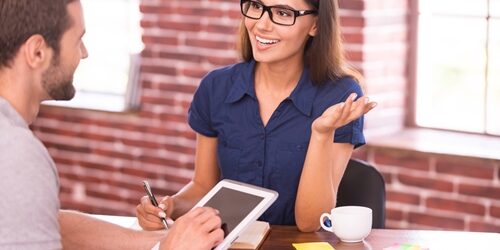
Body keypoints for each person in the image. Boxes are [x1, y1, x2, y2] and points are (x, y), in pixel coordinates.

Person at [136, 0, 377, 233]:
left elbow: (310, 222)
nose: (261, 24)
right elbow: (203, 185)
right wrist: (171, 206)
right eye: (256, 6)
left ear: (315, 25)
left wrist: (321, 134)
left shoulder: (341, 95)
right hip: (230, 240)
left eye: (283, 13)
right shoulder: (216, 87)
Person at [0, 0, 223, 249]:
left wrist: (157, 242)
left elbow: (49, 223)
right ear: (37, 52)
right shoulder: (16, 154)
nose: (84, 53)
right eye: (77, 40)